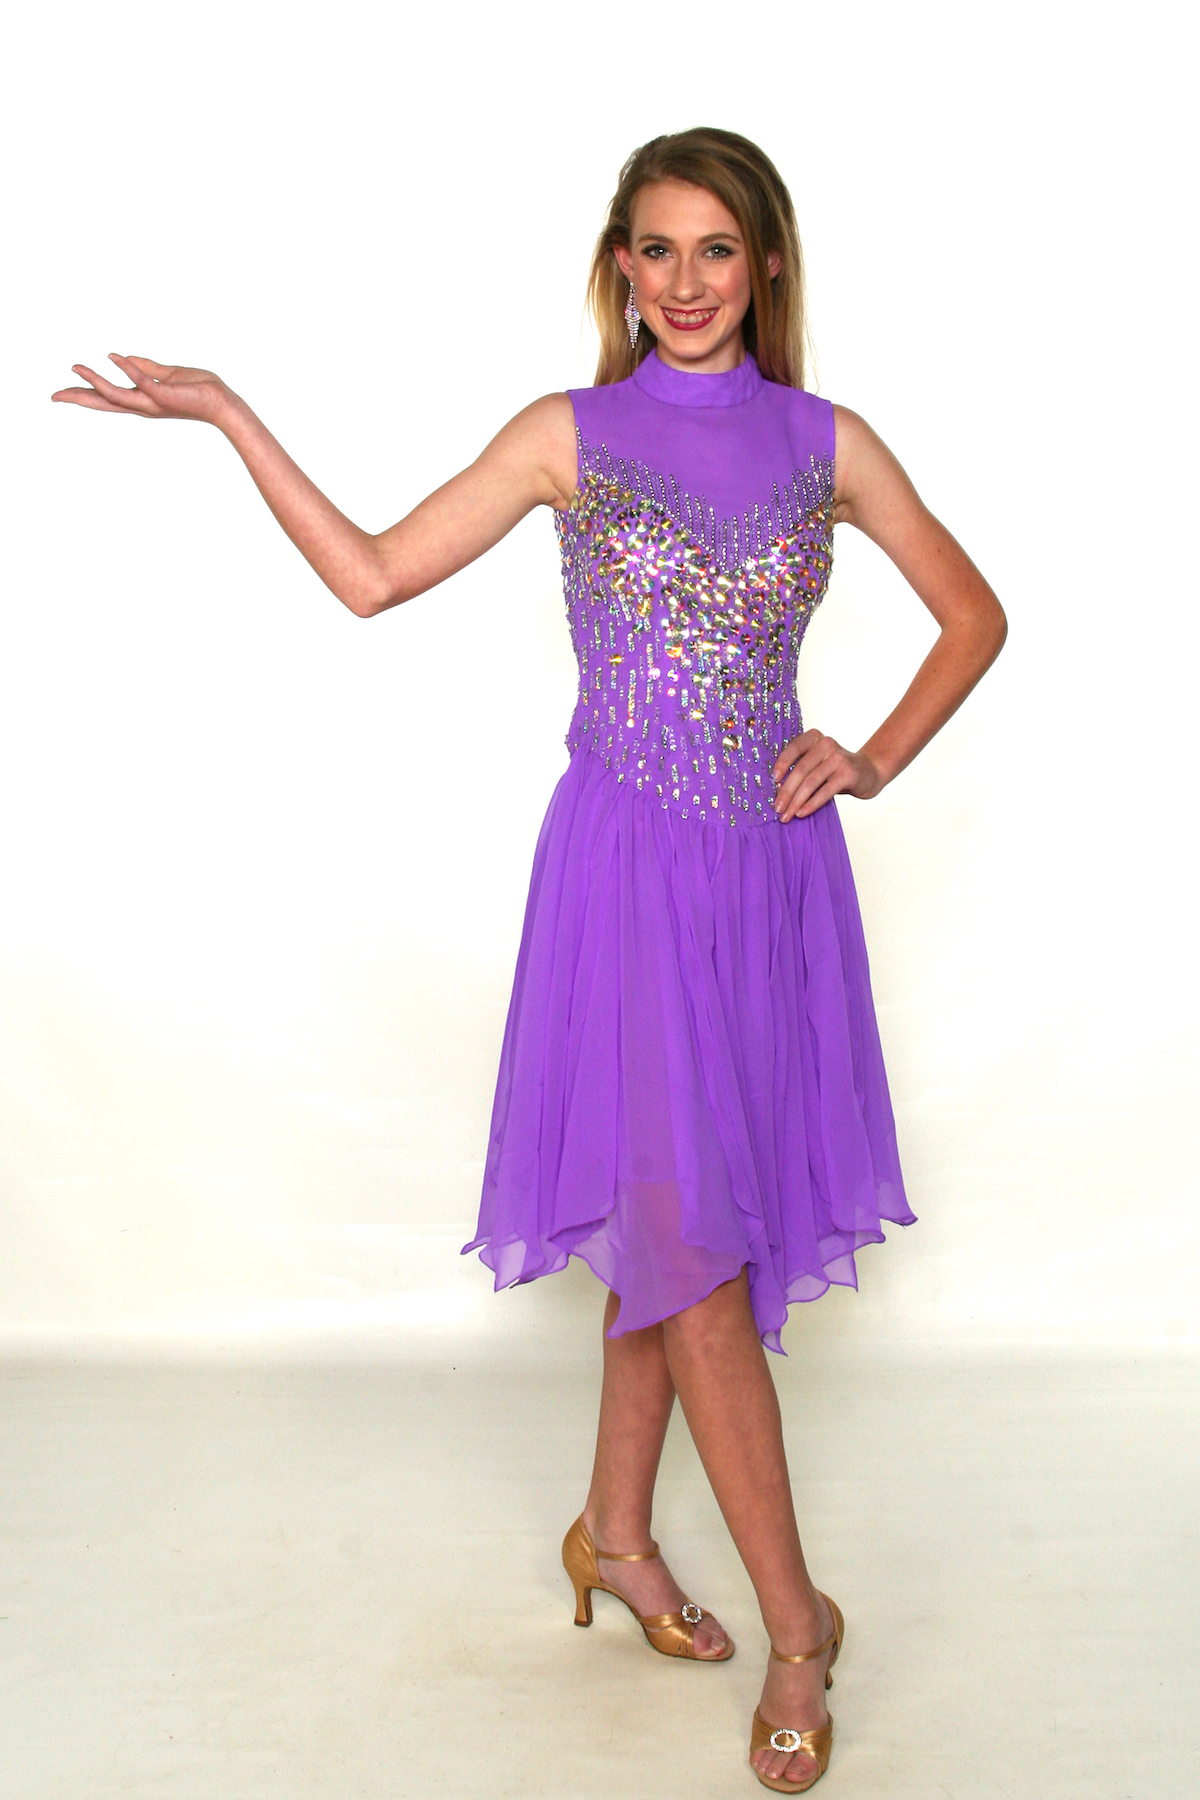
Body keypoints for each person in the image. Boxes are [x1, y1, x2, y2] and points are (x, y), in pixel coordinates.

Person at [52, 126, 1006, 1794]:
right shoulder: (570, 433)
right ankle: (801, 1626)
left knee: (684, 1228)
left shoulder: (827, 442)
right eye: (657, 249)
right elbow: (371, 575)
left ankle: (614, 1536)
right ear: (619, 266)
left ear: (768, 264)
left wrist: (870, 755)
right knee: (691, 1251)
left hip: (771, 881)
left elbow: (973, 615)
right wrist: (229, 415)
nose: (687, 282)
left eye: (718, 249)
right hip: (627, 881)